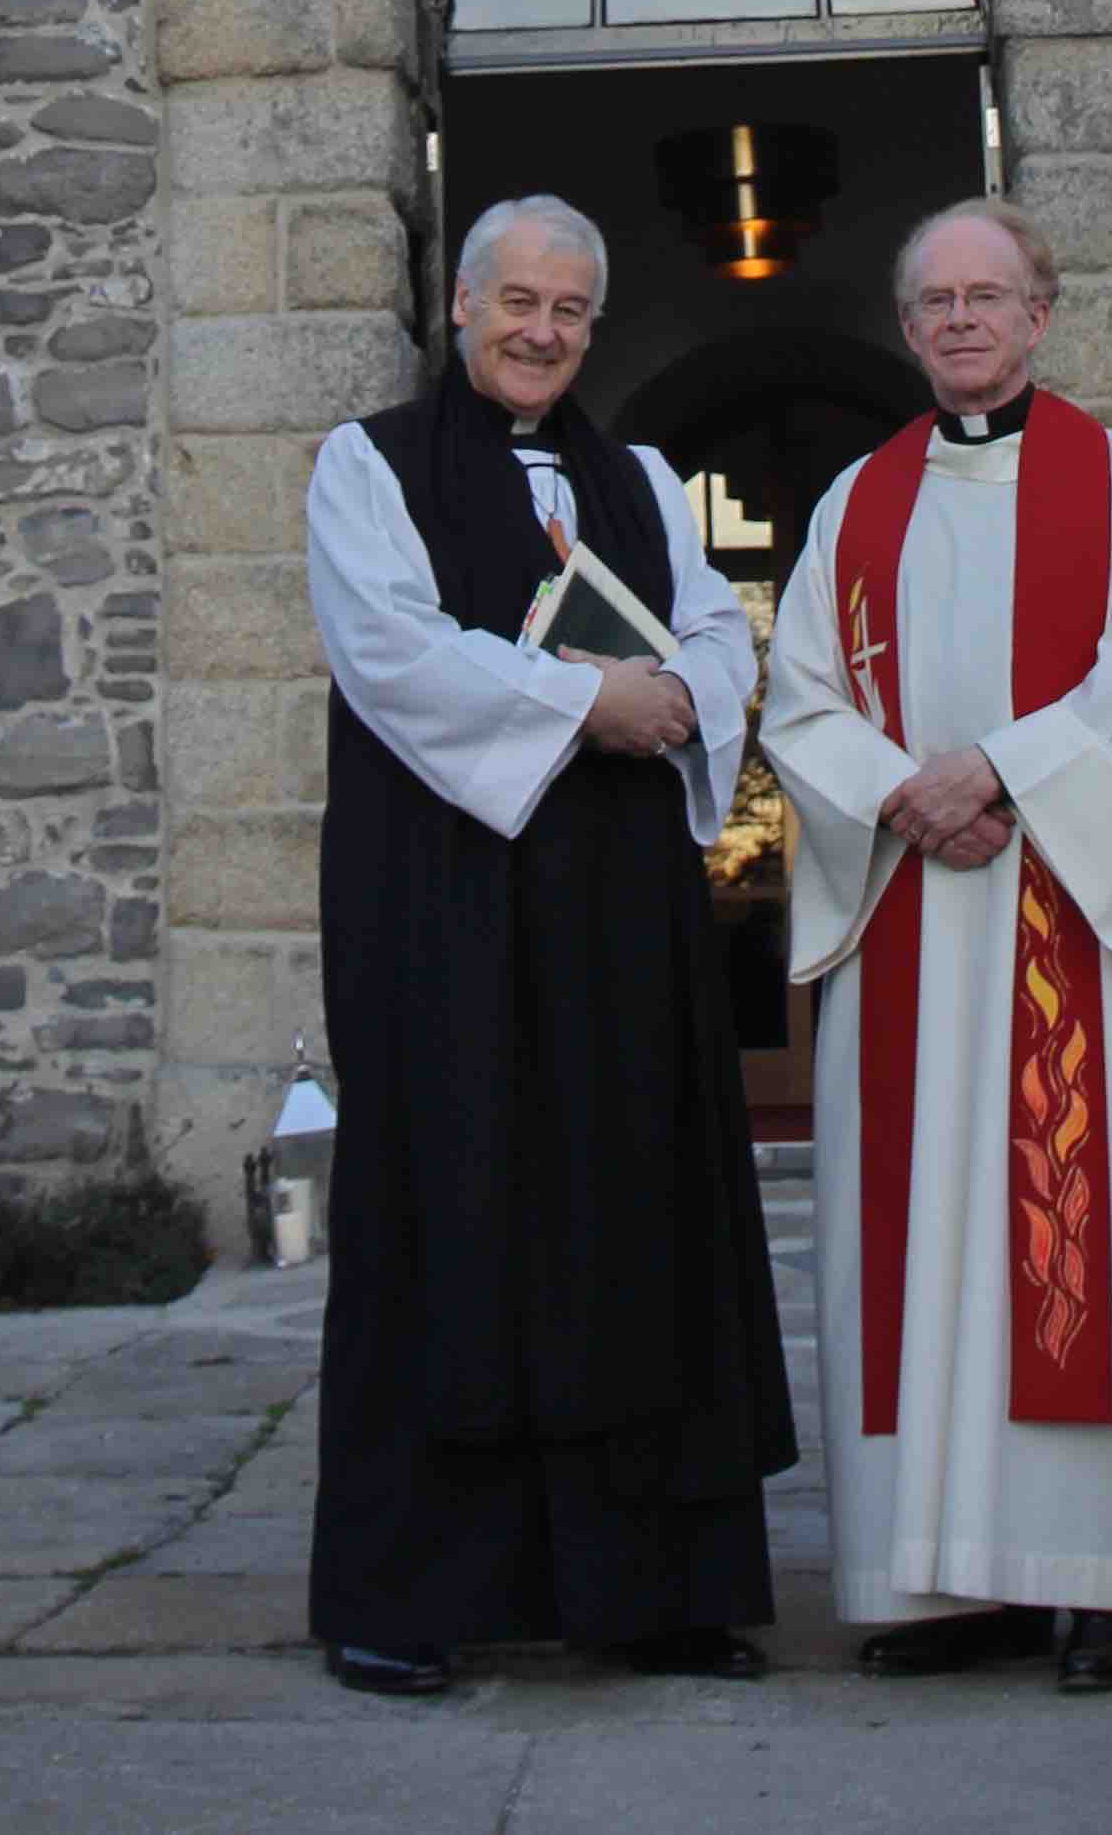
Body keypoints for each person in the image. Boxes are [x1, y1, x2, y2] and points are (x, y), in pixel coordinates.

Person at [303, 192, 797, 1699]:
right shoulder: (365, 465)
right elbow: (388, 647)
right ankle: (407, 1596)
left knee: (635, 1212)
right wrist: (595, 703)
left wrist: (682, 694)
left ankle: (657, 1592)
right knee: (446, 1207)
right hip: (440, 902)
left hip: (619, 917)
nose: (542, 330)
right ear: (459, 307)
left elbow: (718, 633)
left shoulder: (640, 472)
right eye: (518, 300)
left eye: (571, 309)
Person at [760, 199, 1112, 1693]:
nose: (961, 321)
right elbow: (798, 697)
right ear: (907, 330)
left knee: (1066, 1244)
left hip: (1061, 922)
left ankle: (1103, 1585)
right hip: (909, 900)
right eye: (934, 301)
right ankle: (933, 1588)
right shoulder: (858, 503)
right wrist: (906, 796)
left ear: (1043, 311)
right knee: (914, 1249)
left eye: (990, 295)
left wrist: (1001, 772)